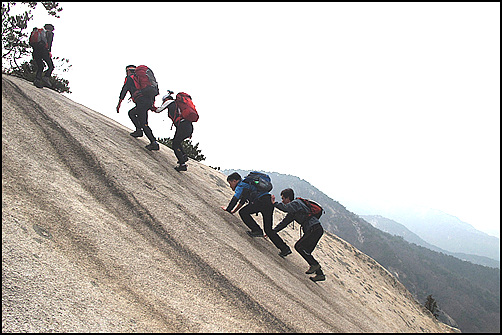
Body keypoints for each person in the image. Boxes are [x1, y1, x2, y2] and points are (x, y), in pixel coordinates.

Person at [221, 172, 292, 258]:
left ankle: (257, 230)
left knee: (243, 212)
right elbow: (242, 201)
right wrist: (233, 211)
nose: (230, 185)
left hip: (261, 201)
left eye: (230, 183)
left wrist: (228, 209)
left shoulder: (241, 185)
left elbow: (236, 197)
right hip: (268, 201)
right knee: (268, 229)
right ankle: (285, 249)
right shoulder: (248, 184)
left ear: (235, 181)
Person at [272, 188, 326, 282]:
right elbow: (285, 222)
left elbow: (284, 208)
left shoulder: (296, 203)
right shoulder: (294, 209)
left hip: (314, 229)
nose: (283, 201)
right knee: (306, 251)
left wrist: (274, 203)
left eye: (283, 199)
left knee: (299, 247)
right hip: (316, 229)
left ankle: (315, 265)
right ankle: (320, 274)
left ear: (288, 198)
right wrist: (273, 232)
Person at [116, 65, 160, 151]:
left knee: (143, 122)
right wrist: (152, 104)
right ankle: (139, 131)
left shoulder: (130, 78)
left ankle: (153, 142)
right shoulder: (143, 81)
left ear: (128, 71)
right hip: (147, 101)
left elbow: (124, 90)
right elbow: (151, 92)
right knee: (132, 113)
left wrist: (119, 103)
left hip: (141, 101)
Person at [155, 92, 193, 171]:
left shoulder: (169, 102)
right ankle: (183, 155)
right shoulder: (178, 105)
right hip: (188, 126)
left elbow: (158, 110)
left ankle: (182, 164)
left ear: (166, 99)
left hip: (183, 126)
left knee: (175, 144)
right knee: (177, 142)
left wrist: (151, 106)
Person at [30, 24, 55, 88]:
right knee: (51, 66)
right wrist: (49, 51)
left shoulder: (38, 32)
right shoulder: (49, 33)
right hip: (44, 51)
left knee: (40, 66)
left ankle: (37, 80)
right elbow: (49, 43)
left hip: (35, 51)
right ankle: (46, 77)